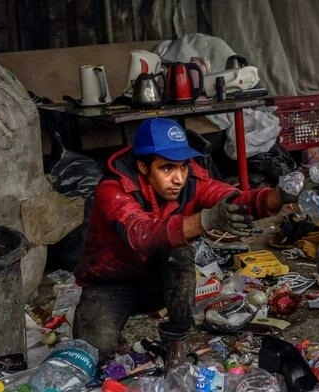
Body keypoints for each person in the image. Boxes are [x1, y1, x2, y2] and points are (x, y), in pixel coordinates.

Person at [73, 118, 285, 359]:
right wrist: (203, 221)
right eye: (167, 168)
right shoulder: (113, 190)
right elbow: (140, 233)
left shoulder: (191, 181)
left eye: (183, 167)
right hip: (110, 283)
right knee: (93, 353)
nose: (179, 178)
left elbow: (232, 200)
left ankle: (177, 343)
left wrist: (277, 197)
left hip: (156, 280)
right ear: (143, 166)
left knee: (179, 252)